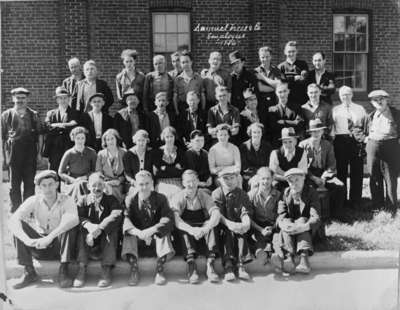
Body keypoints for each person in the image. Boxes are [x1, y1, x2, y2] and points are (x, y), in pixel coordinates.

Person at [9, 170, 79, 289]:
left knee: (67, 226)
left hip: (60, 246)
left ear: (57, 184)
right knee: (18, 225)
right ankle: (29, 272)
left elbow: (73, 219)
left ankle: (64, 271)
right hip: (40, 246)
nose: (48, 189)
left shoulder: (67, 199)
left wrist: (50, 237)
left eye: (51, 184)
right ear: (39, 187)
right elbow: (13, 220)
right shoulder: (34, 200)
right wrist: (27, 240)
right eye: (44, 185)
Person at [121, 170, 175, 286]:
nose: (144, 187)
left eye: (147, 183)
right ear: (135, 185)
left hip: (155, 238)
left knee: (164, 232)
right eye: (141, 184)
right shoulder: (130, 199)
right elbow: (126, 219)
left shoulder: (161, 198)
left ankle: (160, 270)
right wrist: (139, 233)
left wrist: (151, 231)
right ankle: (134, 269)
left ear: (152, 183)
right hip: (138, 239)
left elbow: (167, 218)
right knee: (128, 234)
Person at [171, 170, 221, 284]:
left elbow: (216, 214)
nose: (191, 184)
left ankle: (210, 265)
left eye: (194, 181)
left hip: (202, 229)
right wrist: (191, 230)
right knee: (183, 228)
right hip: (188, 231)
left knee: (212, 225)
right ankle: (191, 266)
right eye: (188, 182)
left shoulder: (204, 195)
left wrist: (205, 228)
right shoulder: (178, 197)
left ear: (198, 181)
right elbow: (176, 219)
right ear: (183, 183)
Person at [73, 172, 123, 288]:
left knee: (112, 230)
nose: (97, 188)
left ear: (104, 186)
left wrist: (100, 228)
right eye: (94, 185)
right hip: (89, 241)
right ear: (88, 186)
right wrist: (89, 226)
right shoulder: (83, 200)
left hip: (104, 240)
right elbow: (78, 216)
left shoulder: (111, 200)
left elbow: (116, 214)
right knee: (82, 232)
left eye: (100, 185)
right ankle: (81, 268)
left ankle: (106, 269)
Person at [272, 168, 320, 274]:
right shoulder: (285, 192)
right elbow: (281, 215)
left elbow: (315, 218)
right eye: (290, 181)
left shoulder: (311, 192)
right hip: (291, 228)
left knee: (302, 220)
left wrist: (302, 227)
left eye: (297, 180)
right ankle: (289, 259)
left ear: (303, 178)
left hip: (307, 229)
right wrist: (283, 224)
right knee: (286, 222)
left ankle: (304, 260)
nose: (294, 184)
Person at [2, 87, 43, 212]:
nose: (20, 100)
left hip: (30, 151)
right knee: (14, 183)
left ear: (27, 99)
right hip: (13, 151)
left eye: (23, 98)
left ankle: (28, 209)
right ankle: (15, 208)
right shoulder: (6, 115)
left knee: (29, 182)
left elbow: (40, 135)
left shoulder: (34, 115)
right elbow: (3, 138)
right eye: (17, 98)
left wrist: (39, 154)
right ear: (13, 98)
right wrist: (4, 157)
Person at [299, 119, 346, 220]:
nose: (316, 133)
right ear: (310, 132)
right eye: (313, 131)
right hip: (309, 174)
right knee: (308, 189)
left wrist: (324, 178)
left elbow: (332, 164)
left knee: (340, 186)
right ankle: (312, 215)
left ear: (322, 132)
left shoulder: (327, 145)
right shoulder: (302, 145)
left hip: (325, 173)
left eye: (318, 131)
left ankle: (337, 215)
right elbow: (302, 167)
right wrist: (314, 178)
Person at [212, 167, 253, 281]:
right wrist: (229, 224)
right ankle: (228, 265)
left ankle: (241, 264)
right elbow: (217, 214)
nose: (229, 181)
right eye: (225, 178)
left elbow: (245, 211)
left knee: (241, 232)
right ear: (219, 180)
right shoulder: (217, 193)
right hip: (222, 226)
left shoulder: (242, 194)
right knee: (226, 233)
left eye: (232, 178)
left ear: (237, 179)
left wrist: (246, 223)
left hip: (237, 224)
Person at [331, 86, 367, 208]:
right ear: (339, 97)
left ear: (352, 95)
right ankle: (342, 200)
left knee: (357, 171)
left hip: (356, 141)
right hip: (341, 140)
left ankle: (356, 200)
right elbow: (333, 128)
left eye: (347, 94)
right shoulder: (335, 110)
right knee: (341, 171)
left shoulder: (360, 109)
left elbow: (365, 125)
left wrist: (363, 140)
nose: (345, 97)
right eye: (342, 95)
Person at [365, 90, 400, 213]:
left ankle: (391, 207)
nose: (379, 102)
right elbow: (358, 129)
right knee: (374, 176)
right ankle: (377, 205)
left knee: (390, 177)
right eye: (375, 100)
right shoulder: (370, 116)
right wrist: (364, 138)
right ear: (372, 102)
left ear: (387, 100)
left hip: (390, 146)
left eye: (381, 99)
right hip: (373, 146)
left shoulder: (396, 114)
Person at [247, 167, 280, 264]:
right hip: (258, 227)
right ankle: (262, 253)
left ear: (272, 179)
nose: (265, 181)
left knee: (277, 239)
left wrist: (273, 227)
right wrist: (260, 229)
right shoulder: (251, 195)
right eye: (263, 178)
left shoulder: (278, 195)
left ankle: (277, 256)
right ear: (258, 179)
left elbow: (281, 214)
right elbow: (248, 217)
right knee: (259, 241)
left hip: (274, 225)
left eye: (268, 178)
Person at [43, 87, 79, 171]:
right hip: (54, 147)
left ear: (69, 99)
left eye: (65, 98)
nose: (63, 100)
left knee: (69, 171)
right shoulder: (51, 113)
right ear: (57, 100)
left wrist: (56, 125)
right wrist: (65, 125)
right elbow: (47, 127)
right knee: (54, 173)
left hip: (69, 145)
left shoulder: (75, 113)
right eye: (60, 98)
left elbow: (73, 125)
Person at [58, 126, 97, 201]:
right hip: (72, 183)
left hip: (87, 180)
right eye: (78, 138)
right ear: (73, 139)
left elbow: (95, 170)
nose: (80, 141)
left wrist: (85, 177)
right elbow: (60, 172)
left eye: (82, 138)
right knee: (78, 186)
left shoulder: (91, 152)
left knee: (83, 185)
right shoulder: (69, 153)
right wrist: (72, 180)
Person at [269, 127, 308, 191]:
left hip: (297, 181)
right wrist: (286, 178)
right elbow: (272, 175)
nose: (288, 145)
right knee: (274, 186)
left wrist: (282, 172)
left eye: (290, 141)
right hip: (280, 181)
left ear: (295, 141)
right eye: (285, 142)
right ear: (282, 142)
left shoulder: (302, 152)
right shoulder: (275, 153)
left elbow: (303, 173)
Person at [153, 126, 185, 200]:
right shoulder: (158, 152)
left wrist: (165, 168)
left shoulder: (180, 152)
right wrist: (174, 168)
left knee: (178, 196)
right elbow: (157, 173)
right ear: (164, 138)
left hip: (177, 180)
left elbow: (181, 172)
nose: (169, 139)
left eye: (171, 136)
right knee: (163, 196)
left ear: (175, 137)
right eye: (167, 137)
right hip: (162, 182)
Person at [268, 82, 303, 147]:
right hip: (278, 142)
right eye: (280, 92)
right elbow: (273, 126)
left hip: (293, 142)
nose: (282, 94)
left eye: (284, 91)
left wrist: (283, 121)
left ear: (288, 91)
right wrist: (293, 122)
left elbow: (299, 124)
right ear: (276, 93)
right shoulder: (272, 109)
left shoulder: (296, 107)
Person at [96, 129, 127, 204]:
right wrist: (105, 182)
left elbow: (127, 172)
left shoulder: (124, 153)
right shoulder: (101, 154)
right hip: (106, 182)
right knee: (107, 190)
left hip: (119, 183)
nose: (110, 141)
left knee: (115, 190)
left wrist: (119, 181)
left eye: (112, 139)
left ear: (117, 139)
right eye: (108, 140)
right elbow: (98, 171)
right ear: (105, 142)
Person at [239, 123, 272, 190]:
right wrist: (257, 175)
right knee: (255, 184)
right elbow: (244, 167)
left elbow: (269, 164)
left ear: (262, 133)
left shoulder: (267, 146)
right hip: (249, 176)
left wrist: (262, 175)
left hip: (264, 175)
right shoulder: (243, 146)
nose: (256, 134)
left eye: (259, 132)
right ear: (250, 133)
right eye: (254, 132)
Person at [278, 41, 309, 110]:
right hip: (287, 101)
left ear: (296, 51)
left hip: (302, 100)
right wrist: (294, 78)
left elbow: (304, 80)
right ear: (285, 52)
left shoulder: (303, 64)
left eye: (293, 51)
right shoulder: (281, 67)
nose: (291, 54)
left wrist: (288, 79)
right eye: (289, 51)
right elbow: (282, 83)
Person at [254, 46, 285, 113]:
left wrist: (278, 105)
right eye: (262, 57)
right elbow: (258, 88)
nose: (265, 59)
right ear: (259, 58)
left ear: (271, 57)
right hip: (260, 105)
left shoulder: (276, 71)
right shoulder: (256, 72)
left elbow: (280, 86)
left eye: (267, 57)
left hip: (274, 104)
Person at [123, 130, 154, 195]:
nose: (141, 143)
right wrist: (133, 182)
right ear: (135, 141)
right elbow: (127, 173)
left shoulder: (151, 152)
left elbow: (153, 170)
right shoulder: (128, 154)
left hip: (147, 181)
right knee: (136, 193)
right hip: (134, 182)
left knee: (150, 193)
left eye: (143, 140)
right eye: (139, 140)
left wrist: (150, 181)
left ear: (147, 141)